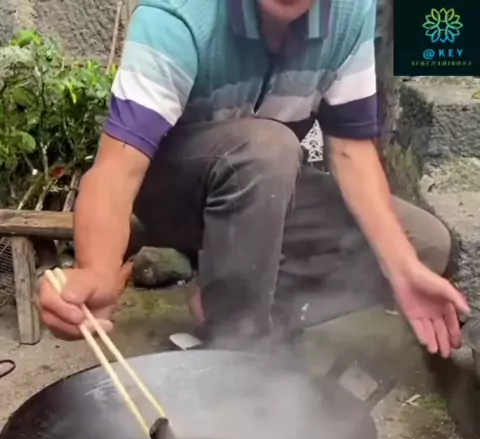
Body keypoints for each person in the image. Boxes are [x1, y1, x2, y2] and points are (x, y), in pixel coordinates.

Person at [38, 0, 469, 357]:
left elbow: (350, 150)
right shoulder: (177, 15)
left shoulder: (349, 13)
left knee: (423, 244)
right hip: (173, 193)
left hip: (268, 187)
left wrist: (402, 270)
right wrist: (96, 270)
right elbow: (117, 170)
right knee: (268, 146)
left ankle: (230, 303)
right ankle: (238, 358)